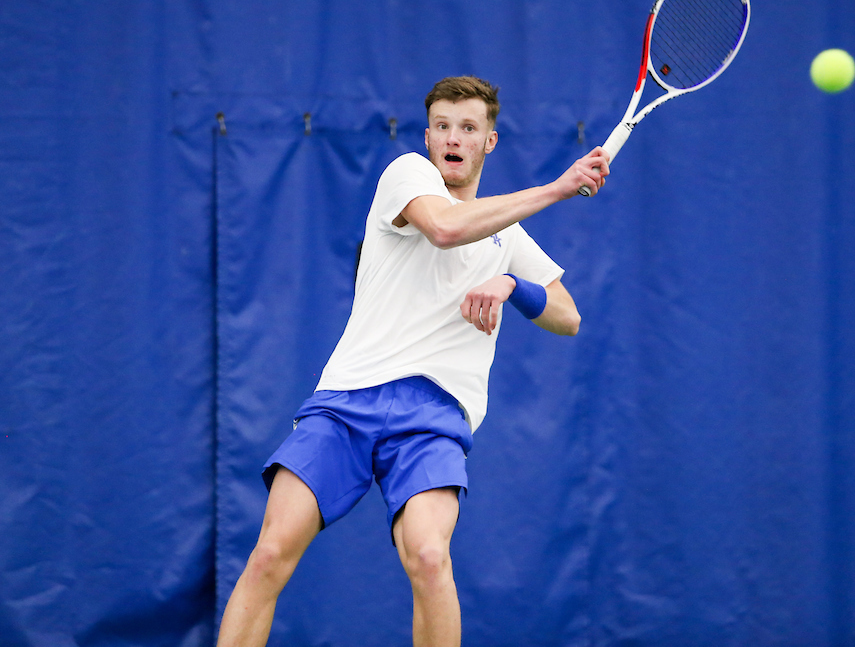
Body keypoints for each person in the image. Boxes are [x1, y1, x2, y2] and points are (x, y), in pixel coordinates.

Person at [216, 76, 609, 647]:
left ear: (489, 142)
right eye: (443, 127)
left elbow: (568, 315)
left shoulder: (506, 236)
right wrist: (559, 187)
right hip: (348, 400)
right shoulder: (408, 175)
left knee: (428, 556)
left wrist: (511, 285)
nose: (454, 138)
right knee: (272, 551)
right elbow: (446, 228)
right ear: (428, 136)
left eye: (468, 128)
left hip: (432, 416)